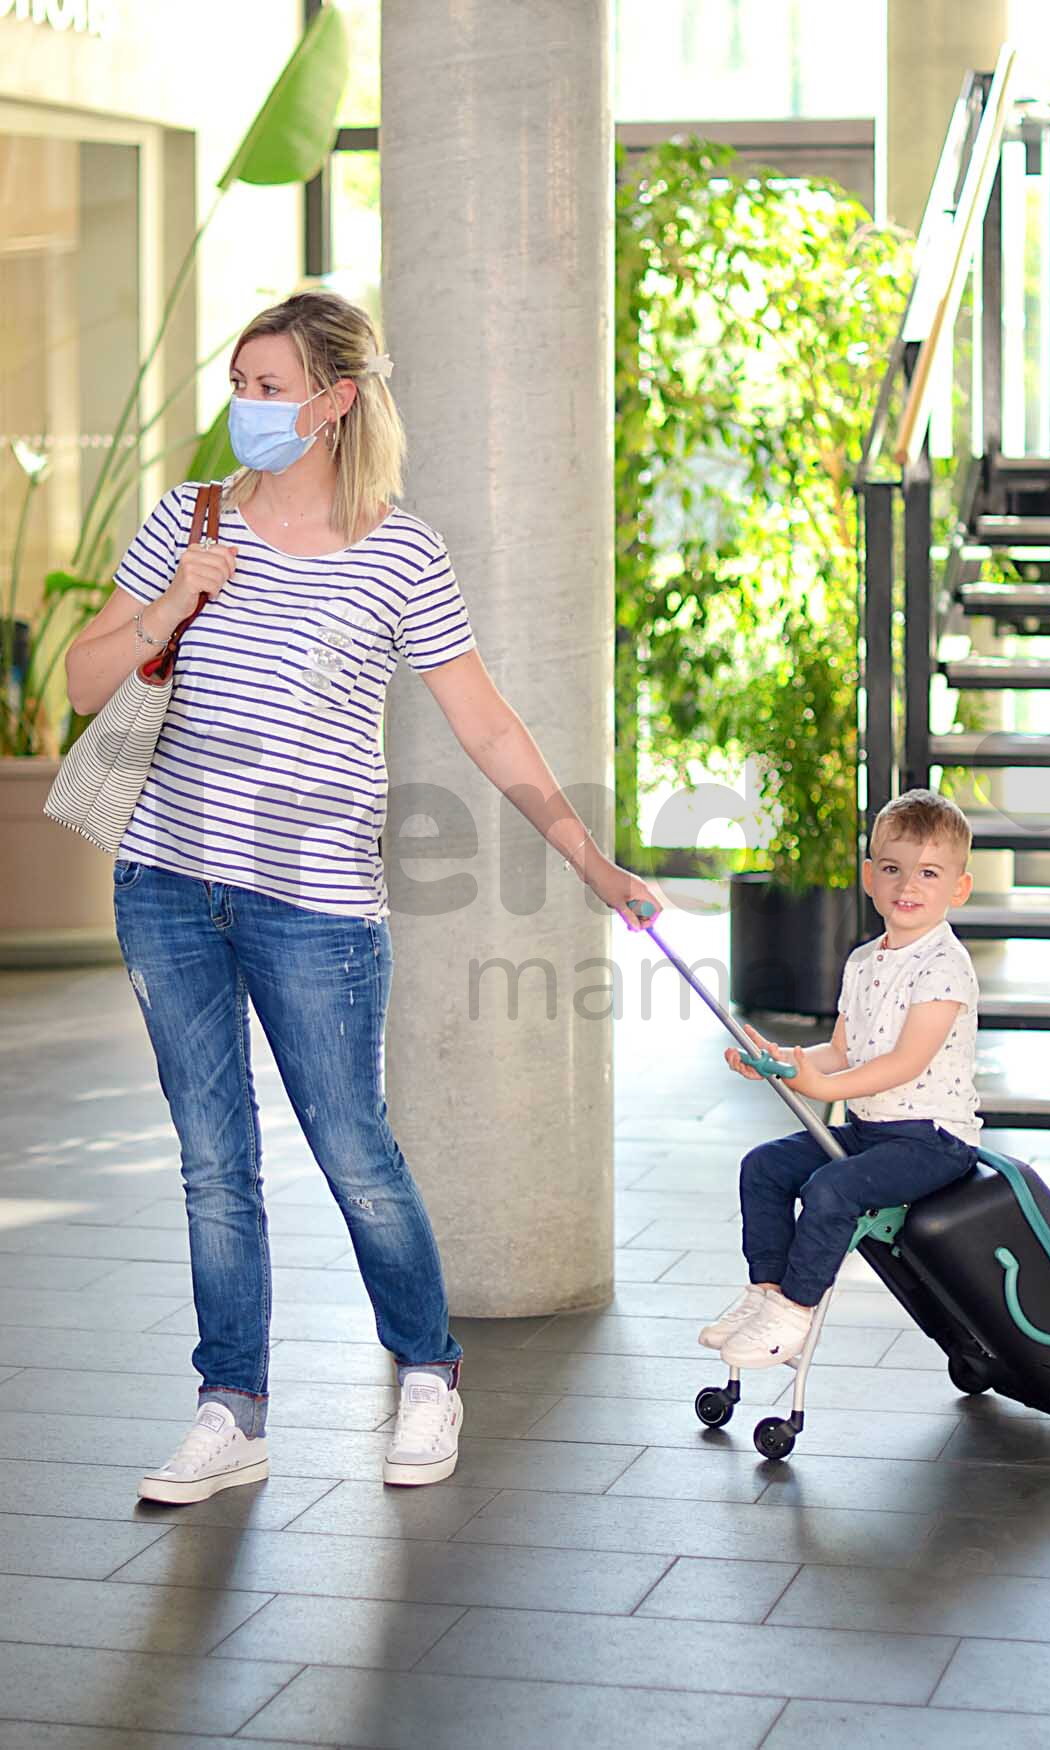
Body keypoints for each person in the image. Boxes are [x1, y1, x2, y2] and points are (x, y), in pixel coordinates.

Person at [65, 290, 659, 1504]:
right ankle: (230, 1409)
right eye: (240, 385)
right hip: (167, 880)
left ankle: (429, 1369)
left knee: (353, 1147)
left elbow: (484, 721)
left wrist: (584, 853)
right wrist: (173, 602)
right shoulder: (187, 518)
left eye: (270, 388)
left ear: (334, 402)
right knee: (211, 1159)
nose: (248, 407)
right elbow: (82, 680)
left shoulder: (401, 552)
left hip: (317, 903)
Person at [699, 788, 981, 1367]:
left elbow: (904, 1064)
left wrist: (824, 1089)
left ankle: (794, 1312)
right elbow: (840, 1050)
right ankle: (766, 1294)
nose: (907, 886)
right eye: (892, 869)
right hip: (873, 1133)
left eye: (929, 873)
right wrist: (781, 1060)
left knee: (832, 1189)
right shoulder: (862, 961)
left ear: (959, 889)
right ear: (869, 877)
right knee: (764, 1167)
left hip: (932, 1141)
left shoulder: (944, 966)